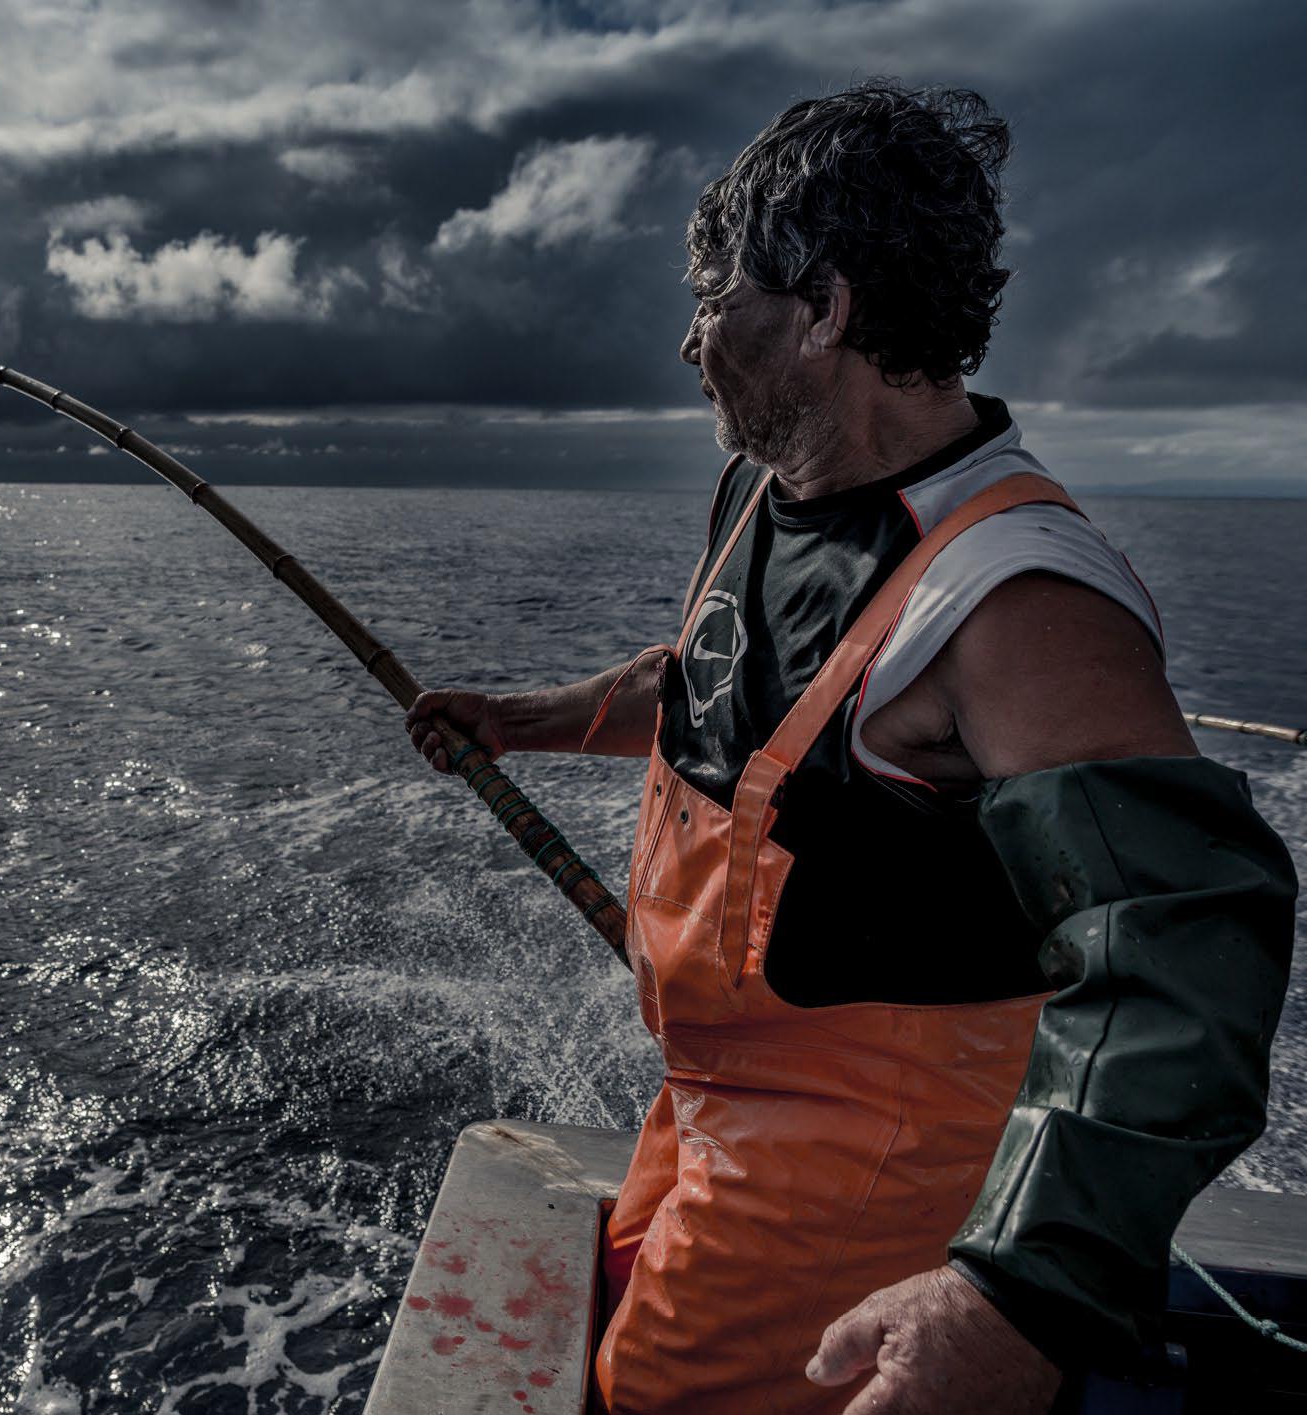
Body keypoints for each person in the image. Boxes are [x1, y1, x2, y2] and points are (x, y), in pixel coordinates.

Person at [408, 82, 1296, 1414]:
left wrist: (1020, 1294)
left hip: (870, 1166)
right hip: (712, 1104)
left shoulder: (1015, 600)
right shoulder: (767, 493)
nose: (688, 342)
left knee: (659, 1397)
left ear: (822, 310)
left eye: (714, 297)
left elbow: (1183, 948)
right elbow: (713, 689)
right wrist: (527, 719)